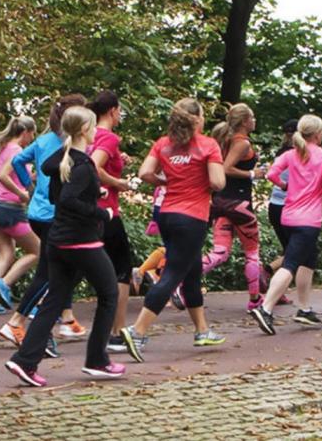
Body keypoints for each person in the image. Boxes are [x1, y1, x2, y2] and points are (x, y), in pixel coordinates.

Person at [5, 106, 125, 387]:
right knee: (109, 293)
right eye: (93, 126)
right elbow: (69, 199)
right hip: (81, 241)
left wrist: (96, 191)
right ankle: (97, 360)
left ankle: (24, 361)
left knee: (55, 300)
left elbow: (57, 187)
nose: (96, 131)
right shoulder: (82, 165)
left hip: (58, 241)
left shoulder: (63, 159)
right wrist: (101, 212)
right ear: (84, 130)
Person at [120, 98, 226, 363]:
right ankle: (138, 331)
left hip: (167, 213)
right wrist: (206, 182)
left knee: (191, 271)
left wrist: (164, 180)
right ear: (198, 120)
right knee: (172, 274)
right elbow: (217, 181)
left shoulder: (163, 144)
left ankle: (202, 331)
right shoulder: (208, 145)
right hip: (192, 218)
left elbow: (145, 173)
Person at [0, 95, 89, 355]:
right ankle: (17, 322)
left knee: (58, 271)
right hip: (54, 214)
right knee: (53, 273)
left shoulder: (42, 141)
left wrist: (29, 184)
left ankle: (60, 323)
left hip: (38, 212)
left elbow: (17, 162)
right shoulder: (69, 145)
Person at [251, 114, 322, 335]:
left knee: (308, 260)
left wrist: (284, 185)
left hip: (288, 216)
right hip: (308, 219)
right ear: (319, 134)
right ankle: (266, 308)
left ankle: (304, 308)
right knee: (290, 263)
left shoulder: (290, 155)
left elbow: (271, 174)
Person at [200, 103, 266, 312]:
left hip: (221, 202)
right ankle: (255, 299)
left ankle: (182, 283)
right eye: (252, 118)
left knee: (220, 251)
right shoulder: (242, 143)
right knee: (252, 252)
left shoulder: (225, 139)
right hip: (239, 204)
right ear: (245, 122)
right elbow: (226, 168)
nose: (255, 121)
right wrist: (252, 174)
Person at [0, 117, 39, 315]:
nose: (33, 138)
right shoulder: (17, 150)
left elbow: (17, 177)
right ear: (25, 132)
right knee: (38, 251)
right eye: (32, 134)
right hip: (11, 210)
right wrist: (21, 194)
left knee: (6, 256)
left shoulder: (5, 148)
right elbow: (2, 176)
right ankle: (4, 283)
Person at [86, 90, 134, 353]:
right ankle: (116, 332)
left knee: (74, 271)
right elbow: (93, 166)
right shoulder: (109, 136)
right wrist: (118, 182)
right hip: (107, 212)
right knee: (122, 269)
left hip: (87, 211)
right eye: (119, 111)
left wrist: (117, 161)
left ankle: (32, 321)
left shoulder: (90, 135)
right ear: (113, 110)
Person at [261, 119, 300, 305]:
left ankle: (277, 291)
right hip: (289, 207)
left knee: (288, 249)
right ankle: (267, 270)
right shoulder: (296, 154)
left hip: (274, 206)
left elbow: (271, 174)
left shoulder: (281, 153)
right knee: (295, 251)